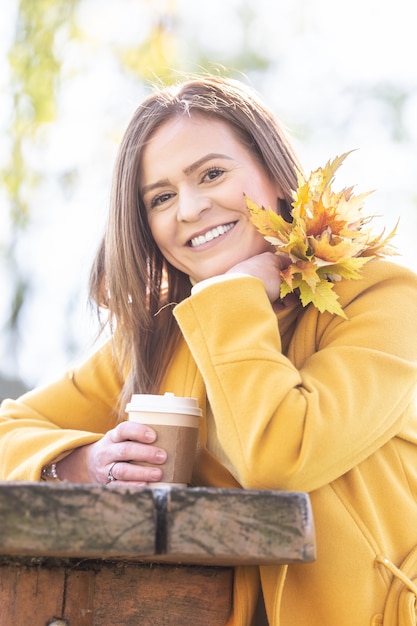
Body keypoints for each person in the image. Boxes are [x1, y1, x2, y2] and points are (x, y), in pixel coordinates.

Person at [1, 74, 417, 626]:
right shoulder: (159, 334)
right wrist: (81, 464)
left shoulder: (382, 297)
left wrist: (230, 297)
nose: (190, 209)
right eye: (162, 197)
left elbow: (281, 457)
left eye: (212, 174)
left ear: (272, 171)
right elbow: (13, 426)